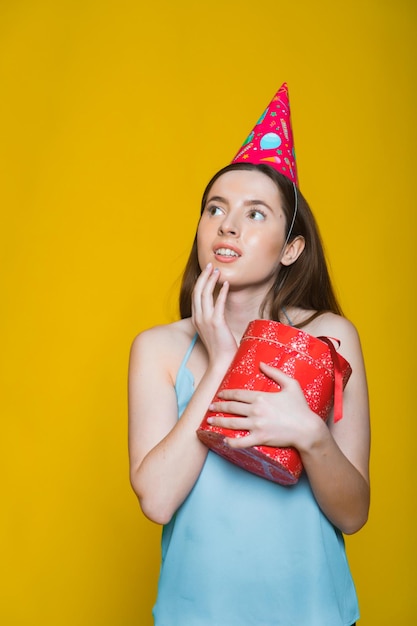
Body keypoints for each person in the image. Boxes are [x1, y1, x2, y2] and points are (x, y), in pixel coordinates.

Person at [128, 83, 370, 626]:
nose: (228, 224)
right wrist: (219, 361)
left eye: (256, 213)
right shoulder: (159, 349)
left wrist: (309, 433)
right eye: (216, 208)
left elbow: (353, 513)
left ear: (291, 247)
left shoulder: (329, 338)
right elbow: (158, 501)